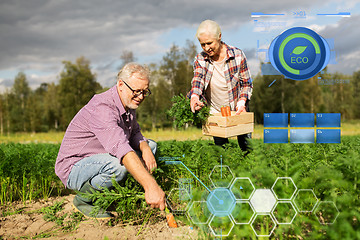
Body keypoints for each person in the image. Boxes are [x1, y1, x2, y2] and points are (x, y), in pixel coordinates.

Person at [55, 62, 165, 219]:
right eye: (136, 91)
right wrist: (151, 186)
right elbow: (122, 149)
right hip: (75, 166)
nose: (140, 97)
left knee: (150, 145)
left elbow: (134, 133)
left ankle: (116, 194)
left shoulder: (128, 104)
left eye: (144, 92)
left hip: (100, 158)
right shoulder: (103, 108)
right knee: (118, 166)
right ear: (121, 84)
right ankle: (84, 200)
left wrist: (146, 149)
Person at [188, 20, 253, 152]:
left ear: (219, 36)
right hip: (216, 112)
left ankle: (250, 171)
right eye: (202, 44)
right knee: (222, 150)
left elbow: (246, 83)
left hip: (238, 108)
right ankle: (227, 172)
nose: (206, 48)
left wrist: (242, 102)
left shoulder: (237, 55)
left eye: (209, 43)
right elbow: (198, 79)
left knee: (247, 147)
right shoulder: (200, 59)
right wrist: (195, 96)